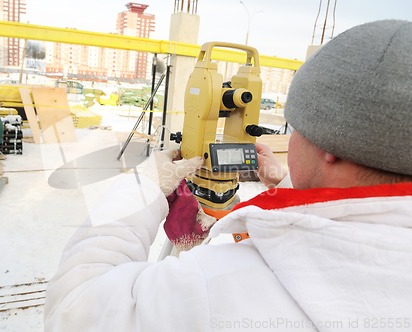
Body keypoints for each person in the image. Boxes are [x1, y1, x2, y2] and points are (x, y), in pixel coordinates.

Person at [44, 20, 412, 331]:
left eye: (298, 126)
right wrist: (287, 187)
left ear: (330, 144)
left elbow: (76, 309)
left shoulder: (214, 287)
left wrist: (143, 188)